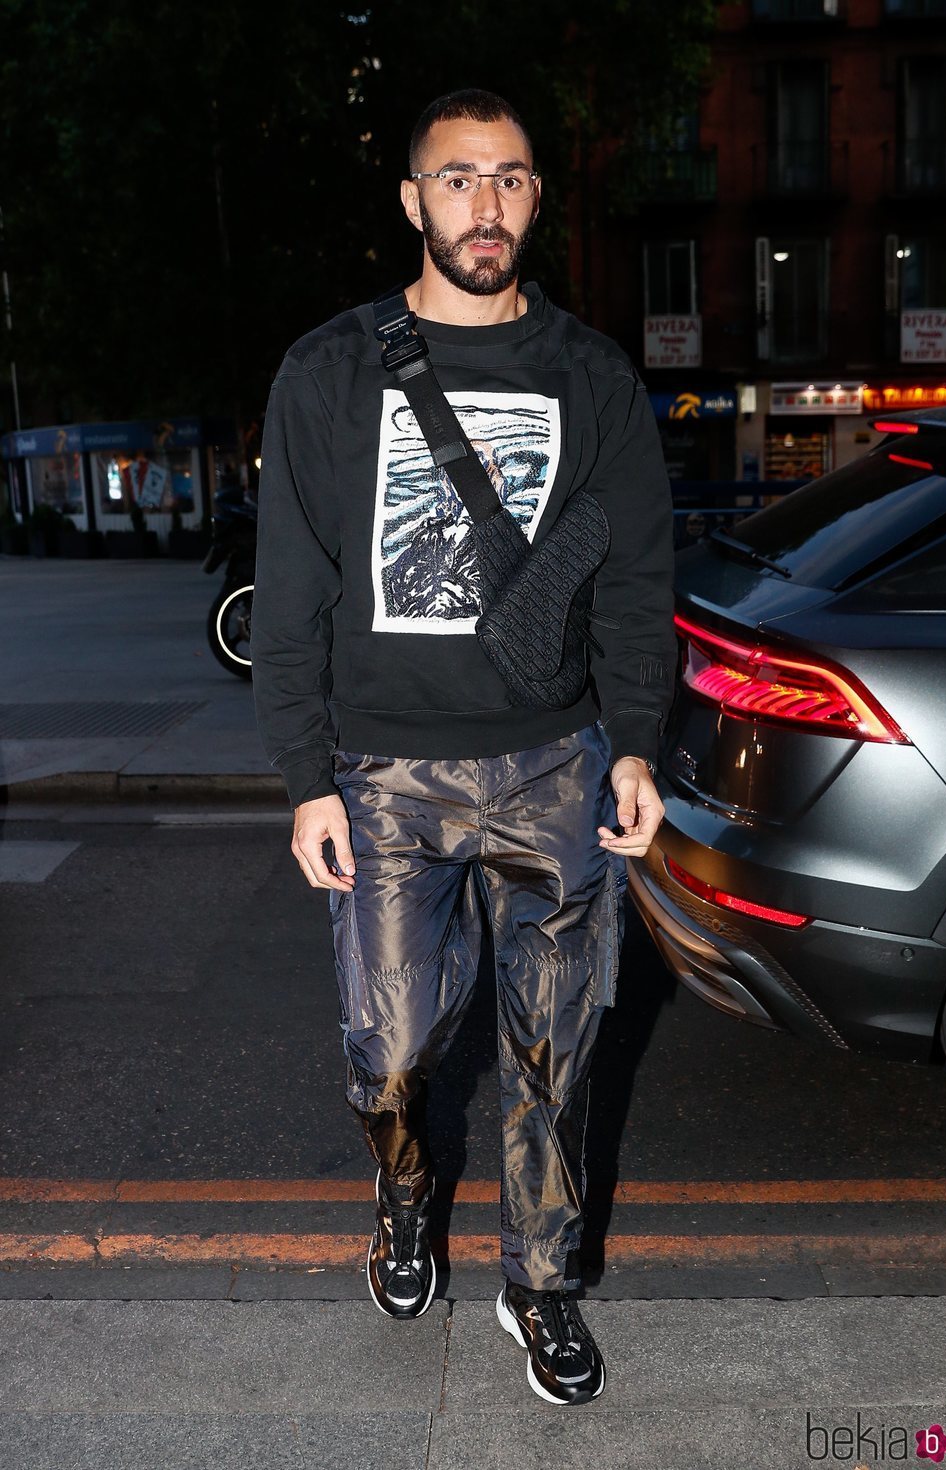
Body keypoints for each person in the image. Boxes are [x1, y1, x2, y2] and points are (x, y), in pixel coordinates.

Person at [250, 89, 676, 1408]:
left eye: (509, 179)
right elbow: (297, 582)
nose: (483, 205)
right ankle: (404, 1195)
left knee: (558, 1051)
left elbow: (635, 577)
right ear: (411, 200)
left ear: (534, 198)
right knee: (391, 1050)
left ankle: (538, 1280)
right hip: (385, 773)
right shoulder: (329, 373)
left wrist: (637, 745)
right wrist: (306, 773)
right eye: (456, 180)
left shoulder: (592, 377)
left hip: (556, 758)